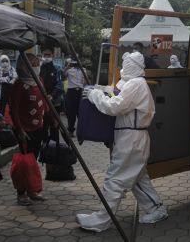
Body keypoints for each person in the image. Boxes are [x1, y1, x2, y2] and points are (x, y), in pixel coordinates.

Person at [76, 52, 168, 232]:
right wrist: (101, 89)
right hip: (134, 139)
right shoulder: (134, 83)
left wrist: (95, 95)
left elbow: (115, 106)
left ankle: (101, 221)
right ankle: (156, 209)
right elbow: (117, 93)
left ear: (131, 65)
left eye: (125, 64)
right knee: (137, 179)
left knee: (115, 180)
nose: (123, 67)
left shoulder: (135, 84)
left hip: (131, 141)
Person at [9, 53, 53, 205]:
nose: (37, 66)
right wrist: (20, 130)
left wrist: (51, 120)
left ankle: (32, 190)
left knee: (33, 160)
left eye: (37, 63)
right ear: (25, 66)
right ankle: (21, 193)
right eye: (34, 63)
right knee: (24, 162)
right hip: (25, 130)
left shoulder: (38, 80)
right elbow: (13, 110)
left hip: (39, 127)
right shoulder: (18, 85)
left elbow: (45, 101)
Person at [64, 59, 86, 136]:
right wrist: (67, 67)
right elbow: (64, 76)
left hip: (80, 91)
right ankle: (70, 130)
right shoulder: (69, 70)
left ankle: (82, 131)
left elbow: (84, 81)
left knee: (80, 112)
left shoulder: (83, 70)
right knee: (71, 112)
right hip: (71, 91)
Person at [39, 48, 64, 113]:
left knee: (55, 121)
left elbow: (60, 84)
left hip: (55, 101)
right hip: (42, 100)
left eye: (49, 55)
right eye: (45, 55)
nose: (47, 57)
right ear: (42, 55)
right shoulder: (39, 68)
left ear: (52, 55)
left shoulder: (57, 68)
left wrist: (52, 95)